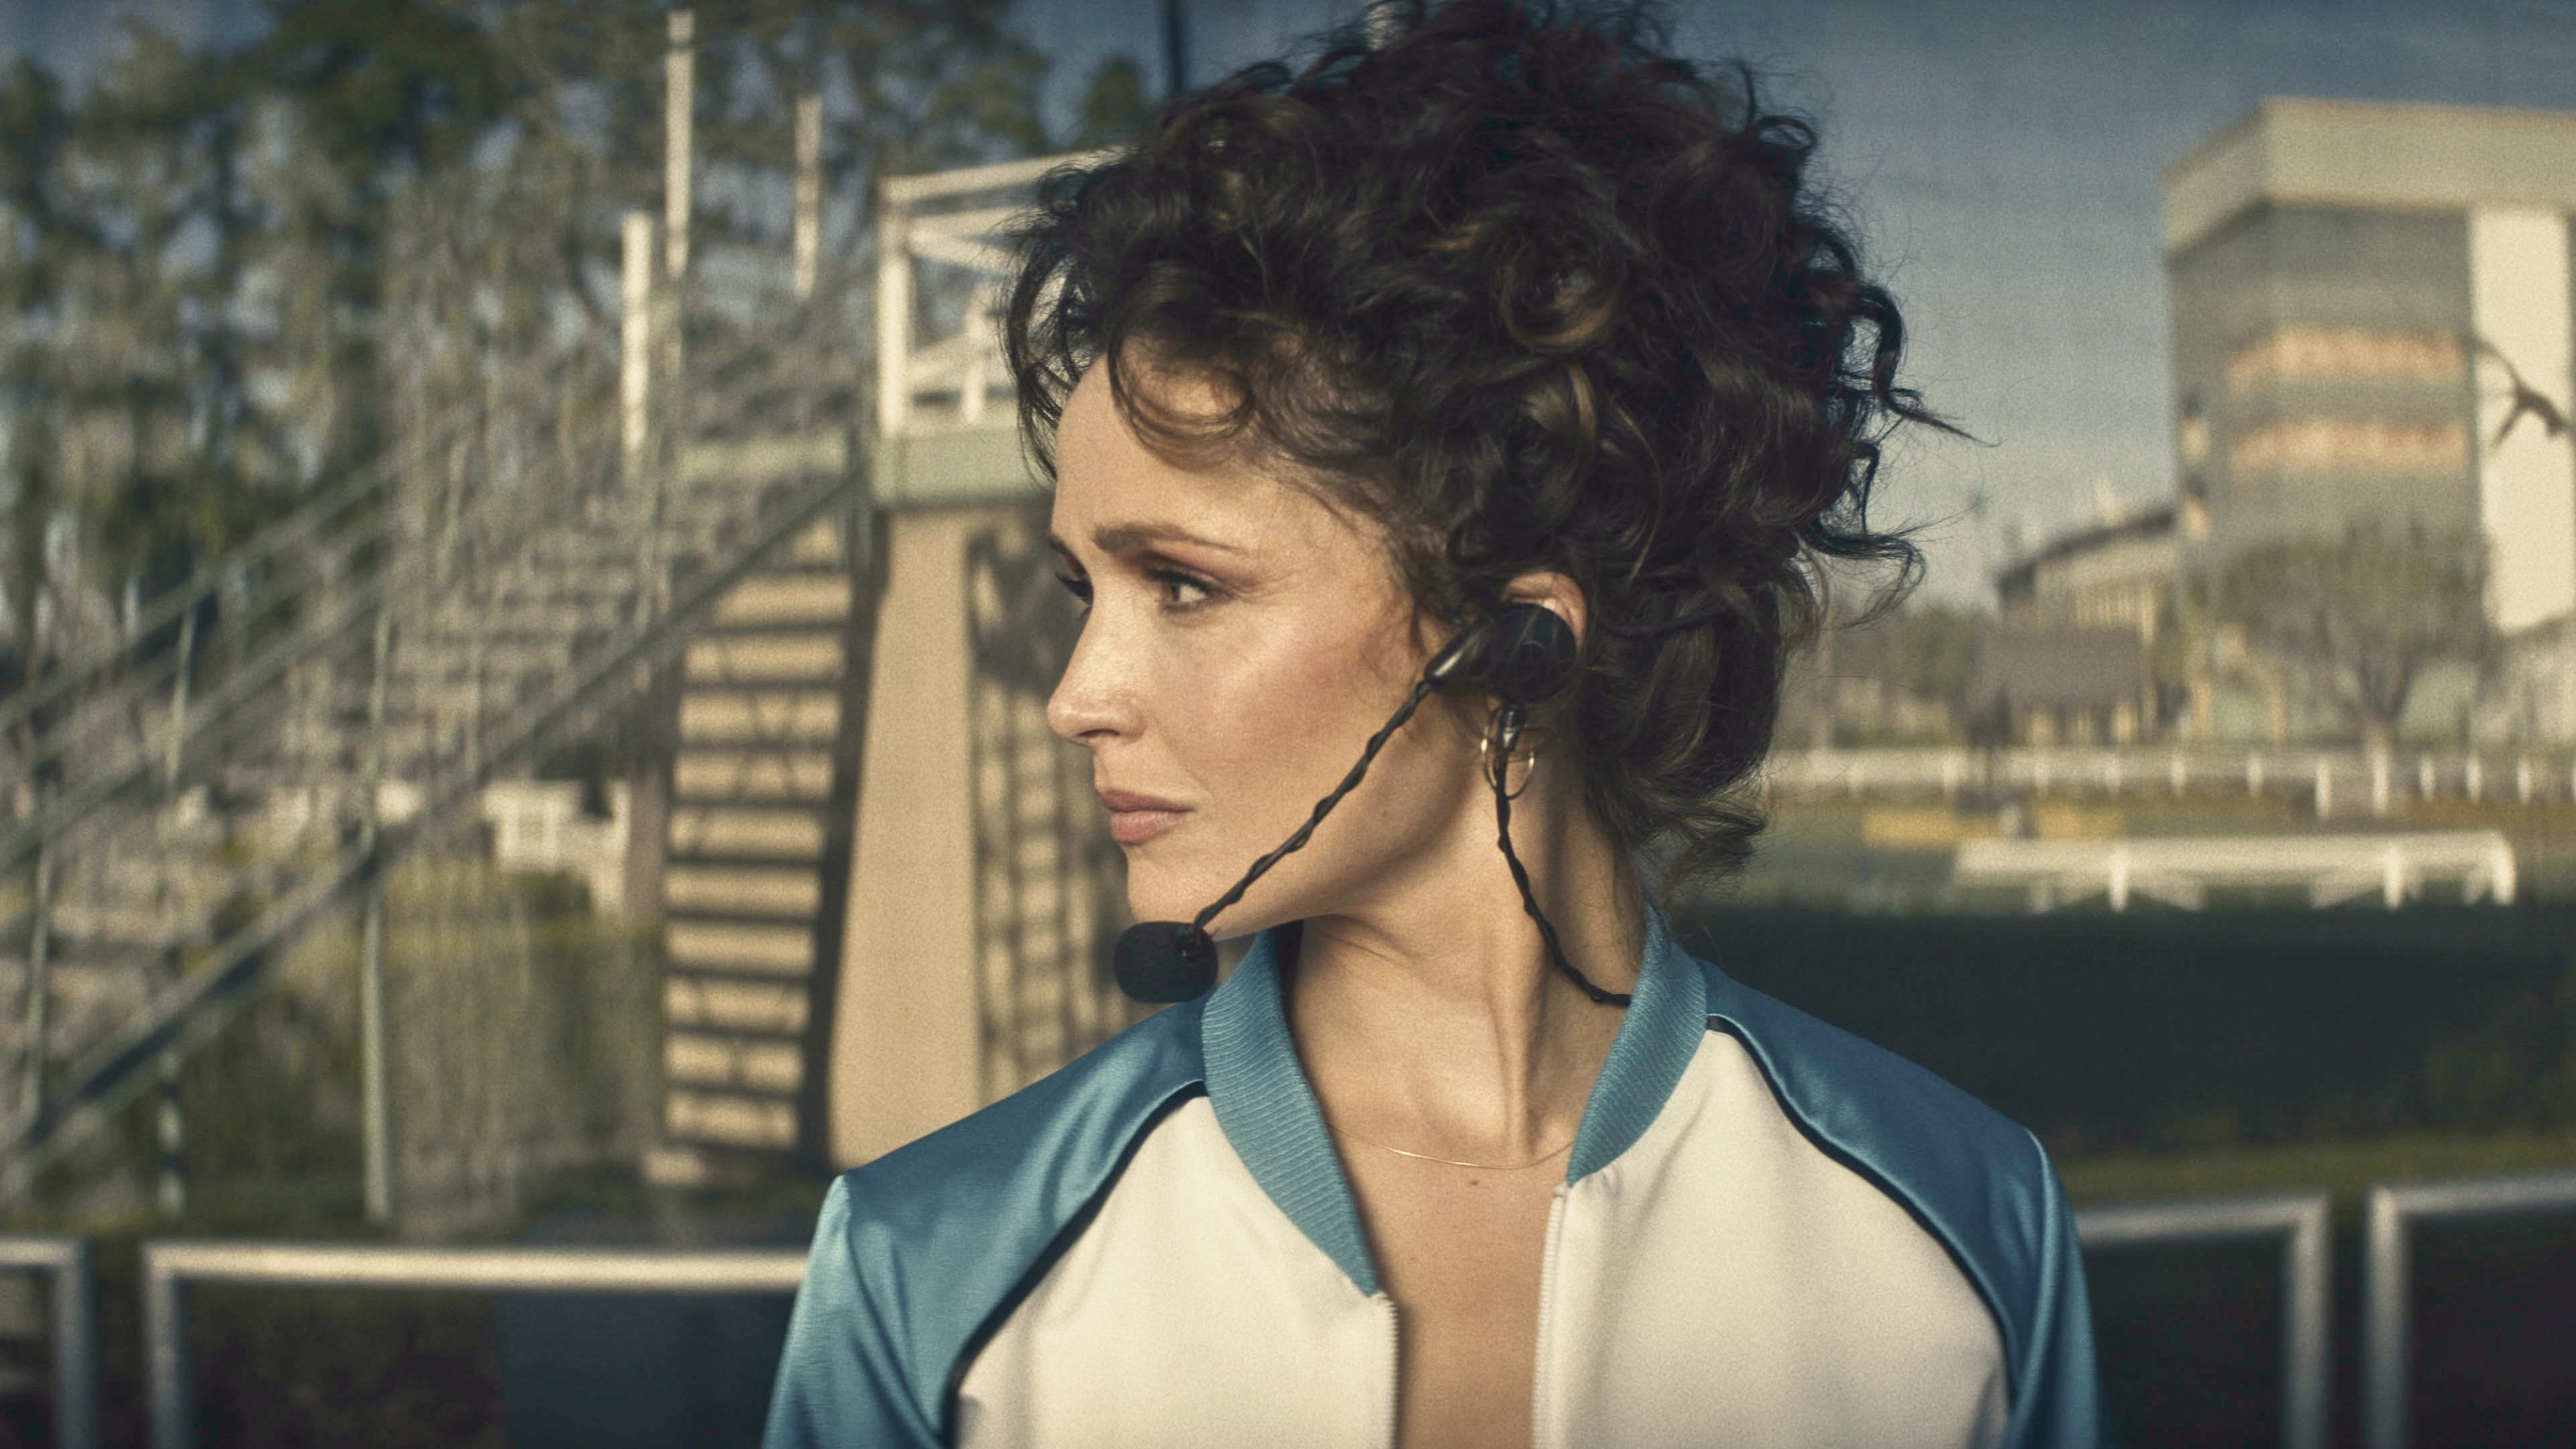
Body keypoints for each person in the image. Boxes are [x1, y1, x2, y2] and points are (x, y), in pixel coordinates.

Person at [765, 1, 2104, 1445]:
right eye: (1084, 587)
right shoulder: (931, 1273)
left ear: (1516, 642)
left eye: (1184, 586)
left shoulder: (1963, 1233)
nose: (1075, 698)